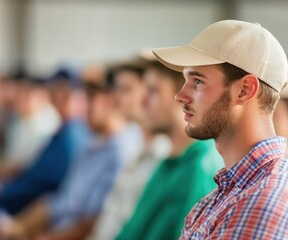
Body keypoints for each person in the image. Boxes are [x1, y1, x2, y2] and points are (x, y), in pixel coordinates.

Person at [153, 20, 288, 239]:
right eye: (185, 79)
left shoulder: (262, 202)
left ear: (244, 90)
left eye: (197, 81)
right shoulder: (226, 195)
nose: (180, 95)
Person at [0, 68, 144, 240]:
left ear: (111, 101)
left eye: (92, 98)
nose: (86, 107)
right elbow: (59, 202)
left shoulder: (120, 152)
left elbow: (90, 222)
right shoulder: (89, 144)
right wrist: (18, 227)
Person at [115, 59, 223, 240]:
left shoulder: (201, 168)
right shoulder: (167, 164)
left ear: (182, 97)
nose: (142, 101)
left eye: (153, 91)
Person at [87, 62, 171, 240]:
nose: (116, 98)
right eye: (117, 89)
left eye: (126, 90)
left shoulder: (163, 154)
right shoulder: (133, 143)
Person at [0, 69, 91, 216]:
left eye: (65, 93)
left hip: (38, 211)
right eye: (55, 92)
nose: (57, 98)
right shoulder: (64, 130)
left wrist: (6, 193)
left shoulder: (71, 134)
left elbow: (45, 180)